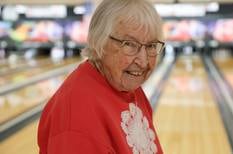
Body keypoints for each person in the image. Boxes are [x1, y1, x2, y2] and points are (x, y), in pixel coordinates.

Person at [38, 0, 165, 153]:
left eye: (151, 46)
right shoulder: (77, 119)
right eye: (129, 44)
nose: (143, 61)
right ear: (99, 41)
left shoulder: (126, 85)